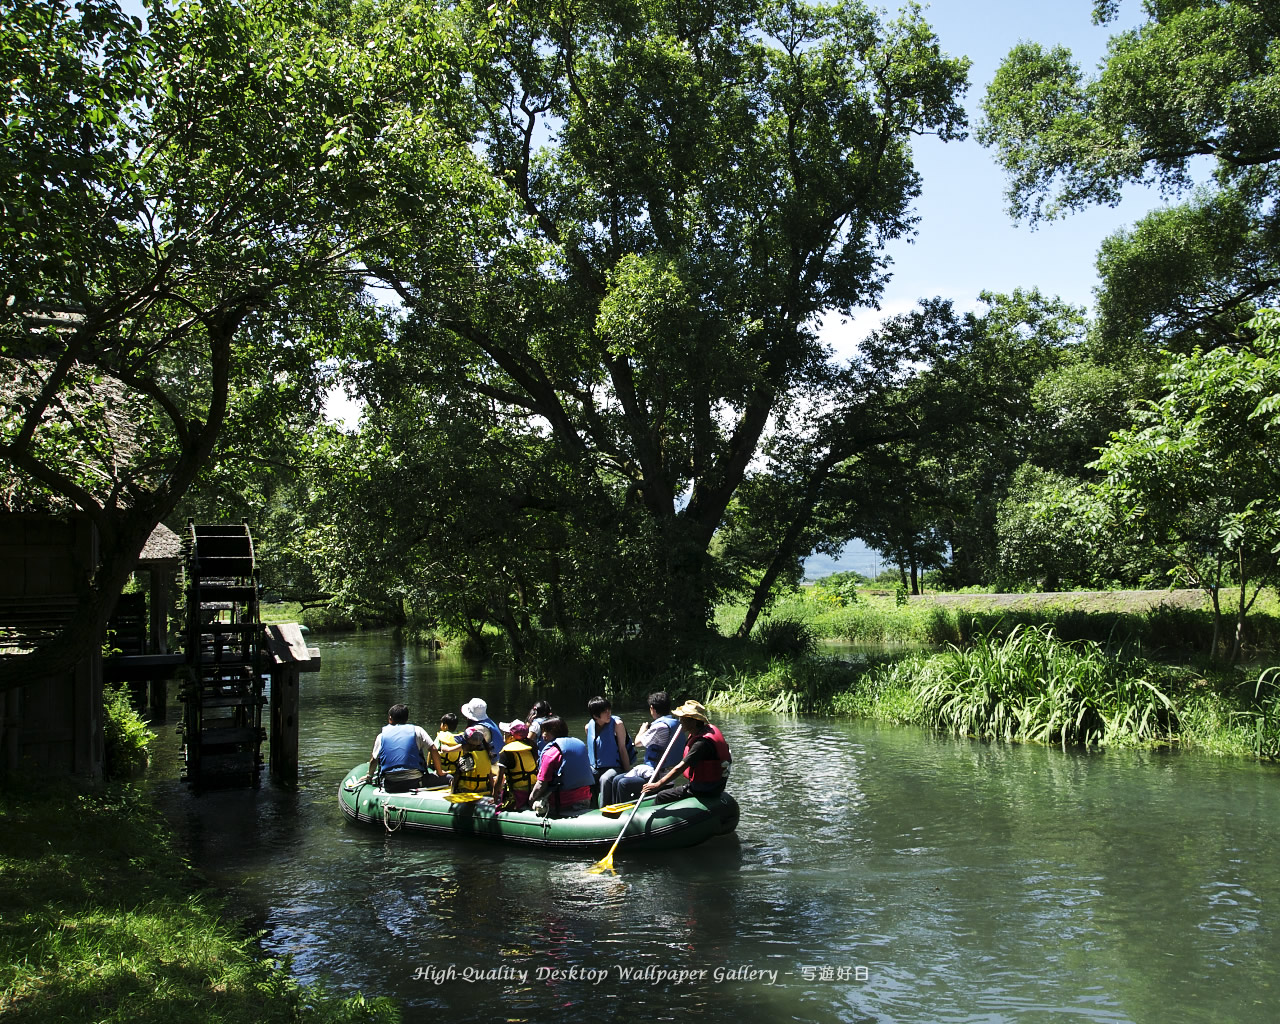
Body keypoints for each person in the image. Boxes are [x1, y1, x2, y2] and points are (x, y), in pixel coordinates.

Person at [640, 700, 731, 805]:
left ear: (693, 721)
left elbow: (680, 768)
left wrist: (658, 785)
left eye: (683, 719)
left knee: (662, 795)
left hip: (705, 788)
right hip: (714, 785)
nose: (680, 721)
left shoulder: (701, 744)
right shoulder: (703, 732)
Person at [614, 691, 684, 802]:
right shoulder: (675, 723)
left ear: (652, 708)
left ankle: (622, 812)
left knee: (622, 783)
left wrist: (642, 730)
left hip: (658, 776)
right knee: (617, 779)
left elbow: (638, 743)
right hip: (664, 773)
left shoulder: (660, 726)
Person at [369, 703, 446, 793]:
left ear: (390, 718)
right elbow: (433, 749)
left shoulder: (381, 736)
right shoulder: (418, 730)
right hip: (416, 782)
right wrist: (439, 772)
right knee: (449, 778)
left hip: (391, 784)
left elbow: (374, 760)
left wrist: (369, 776)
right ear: (406, 718)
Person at [528, 716, 593, 817]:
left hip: (562, 803)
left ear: (554, 732)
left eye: (546, 732)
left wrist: (530, 800)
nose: (543, 735)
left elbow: (541, 784)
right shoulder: (579, 744)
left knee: (534, 801)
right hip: (585, 799)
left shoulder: (551, 753)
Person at [449, 697, 504, 793]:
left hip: (493, 766)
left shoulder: (478, 729)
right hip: (495, 763)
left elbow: (468, 746)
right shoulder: (489, 723)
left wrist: (448, 750)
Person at [585, 695, 630, 807]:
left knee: (605, 779)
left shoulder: (617, 725)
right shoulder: (588, 727)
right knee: (585, 776)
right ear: (596, 715)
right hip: (595, 767)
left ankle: (603, 810)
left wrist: (628, 772)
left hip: (614, 767)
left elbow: (622, 749)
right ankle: (587, 807)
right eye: (605, 711)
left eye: (609, 709)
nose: (608, 713)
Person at [492, 720, 537, 811]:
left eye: (505, 733)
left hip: (517, 795)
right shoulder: (532, 747)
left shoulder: (507, 752)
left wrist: (494, 796)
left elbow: (499, 778)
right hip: (533, 792)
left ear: (512, 737)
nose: (503, 734)